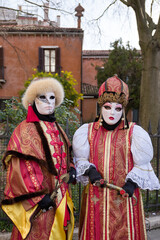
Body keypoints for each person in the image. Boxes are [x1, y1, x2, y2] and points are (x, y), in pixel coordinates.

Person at [72, 75, 160, 240]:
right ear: (101, 107)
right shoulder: (87, 132)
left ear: (123, 109)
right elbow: (80, 159)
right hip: (95, 198)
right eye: (107, 107)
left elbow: (143, 164)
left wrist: (132, 183)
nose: (112, 113)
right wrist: (90, 171)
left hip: (124, 200)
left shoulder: (134, 133)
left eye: (118, 108)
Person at [1, 77, 76, 240]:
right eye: (42, 97)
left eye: (52, 97)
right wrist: (38, 197)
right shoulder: (24, 130)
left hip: (60, 200)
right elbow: (20, 167)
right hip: (40, 205)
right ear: (32, 101)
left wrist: (72, 169)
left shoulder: (58, 127)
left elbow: (67, 155)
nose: (49, 102)